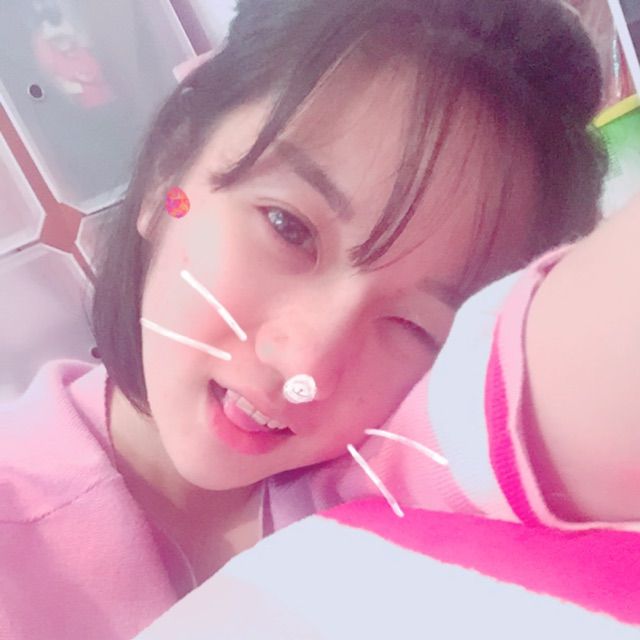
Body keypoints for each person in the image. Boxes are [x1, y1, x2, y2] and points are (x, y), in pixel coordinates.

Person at [0, 1, 619, 638]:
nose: (306, 367)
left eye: (413, 328)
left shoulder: (398, 484)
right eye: (288, 228)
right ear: (169, 178)